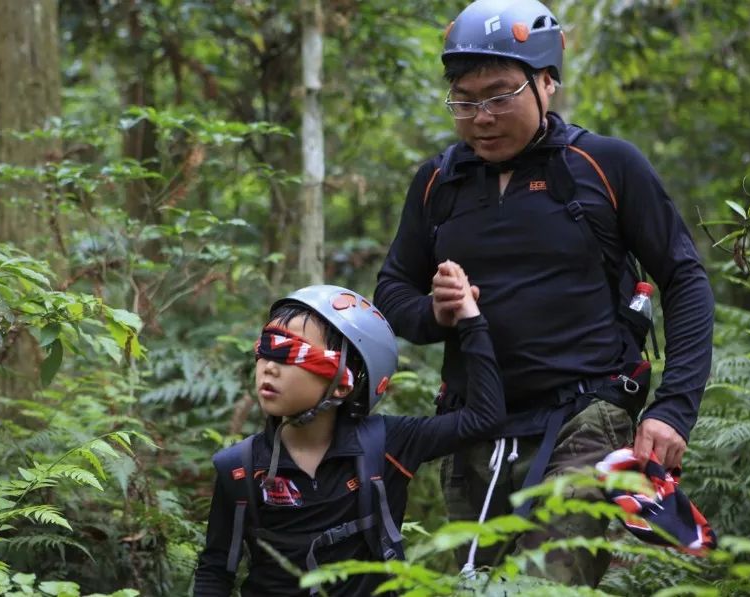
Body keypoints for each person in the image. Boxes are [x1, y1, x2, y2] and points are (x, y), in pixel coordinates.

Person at [374, 0, 715, 587]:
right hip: (474, 424)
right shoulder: (438, 182)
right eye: (465, 99)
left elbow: (683, 277)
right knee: (482, 585)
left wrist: (673, 409)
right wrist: (435, 313)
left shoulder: (604, 165)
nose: (482, 116)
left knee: (546, 585)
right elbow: (391, 290)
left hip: (587, 414)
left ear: (547, 82)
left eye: (501, 95)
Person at [193, 273, 505, 596]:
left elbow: (484, 417)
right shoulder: (240, 469)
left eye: (290, 352)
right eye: (266, 348)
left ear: (345, 381)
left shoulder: (385, 445)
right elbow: (216, 572)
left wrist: (471, 320)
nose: (268, 366)